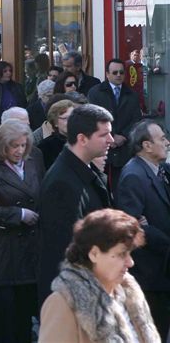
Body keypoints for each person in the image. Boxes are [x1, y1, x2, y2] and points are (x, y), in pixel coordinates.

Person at [39, 209, 160, 343]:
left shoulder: (130, 293)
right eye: (122, 254)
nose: (130, 262)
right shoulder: (63, 303)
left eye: (130, 253)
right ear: (94, 254)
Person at [0, 120, 45, 343]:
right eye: (14, 146)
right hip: (5, 252)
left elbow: (42, 192)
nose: (19, 150)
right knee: (6, 318)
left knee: (26, 315)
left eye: (23, 145)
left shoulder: (34, 160)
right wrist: (18, 214)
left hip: (33, 248)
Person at [37, 104, 114, 306]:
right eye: (104, 134)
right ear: (82, 139)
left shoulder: (84, 171)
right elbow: (66, 250)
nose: (111, 140)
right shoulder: (61, 183)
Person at [116, 120, 170, 340]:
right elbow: (133, 227)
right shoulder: (133, 176)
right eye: (162, 138)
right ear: (147, 146)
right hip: (151, 274)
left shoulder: (162, 170)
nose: (167, 142)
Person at [88, 58, 142, 186]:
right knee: (101, 185)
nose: (118, 75)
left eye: (121, 72)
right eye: (115, 72)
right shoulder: (95, 92)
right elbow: (92, 118)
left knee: (123, 186)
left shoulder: (132, 95)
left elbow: (136, 120)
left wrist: (123, 136)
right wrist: (110, 136)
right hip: (102, 147)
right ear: (107, 74)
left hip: (124, 149)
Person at [37, 99, 75, 170]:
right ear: (55, 122)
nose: (71, 121)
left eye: (73, 117)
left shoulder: (84, 139)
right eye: (65, 118)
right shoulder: (45, 147)